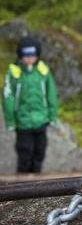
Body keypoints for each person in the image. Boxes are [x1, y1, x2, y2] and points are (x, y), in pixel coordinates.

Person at [2, 35, 58, 173]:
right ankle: (22, 180)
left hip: (41, 119)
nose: (29, 58)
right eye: (25, 55)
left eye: (32, 55)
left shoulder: (43, 71)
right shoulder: (14, 73)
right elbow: (7, 98)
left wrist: (52, 115)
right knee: (25, 151)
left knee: (40, 150)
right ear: (20, 55)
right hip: (23, 122)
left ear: (37, 55)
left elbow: (51, 94)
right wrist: (10, 121)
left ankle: (36, 177)